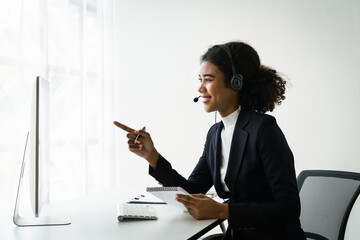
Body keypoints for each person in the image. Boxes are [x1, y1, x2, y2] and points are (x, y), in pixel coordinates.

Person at [114, 41, 306, 240]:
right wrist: (151, 156)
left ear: (235, 82)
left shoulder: (263, 129)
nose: (200, 88)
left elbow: (288, 207)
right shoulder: (215, 134)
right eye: (200, 79)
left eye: (208, 79)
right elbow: (193, 190)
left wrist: (223, 211)